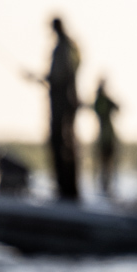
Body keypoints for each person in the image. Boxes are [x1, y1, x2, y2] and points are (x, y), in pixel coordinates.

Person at [47, 17, 81, 201]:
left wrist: (49, 79)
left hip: (63, 104)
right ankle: (67, 189)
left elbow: (62, 76)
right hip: (67, 102)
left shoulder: (64, 47)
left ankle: (66, 191)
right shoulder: (70, 46)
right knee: (66, 145)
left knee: (62, 145)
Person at [92, 79, 120, 197]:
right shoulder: (101, 101)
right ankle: (105, 188)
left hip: (107, 137)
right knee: (105, 165)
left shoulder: (101, 101)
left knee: (107, 165)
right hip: (105, 138)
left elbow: (118, 108)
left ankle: (107, 187)